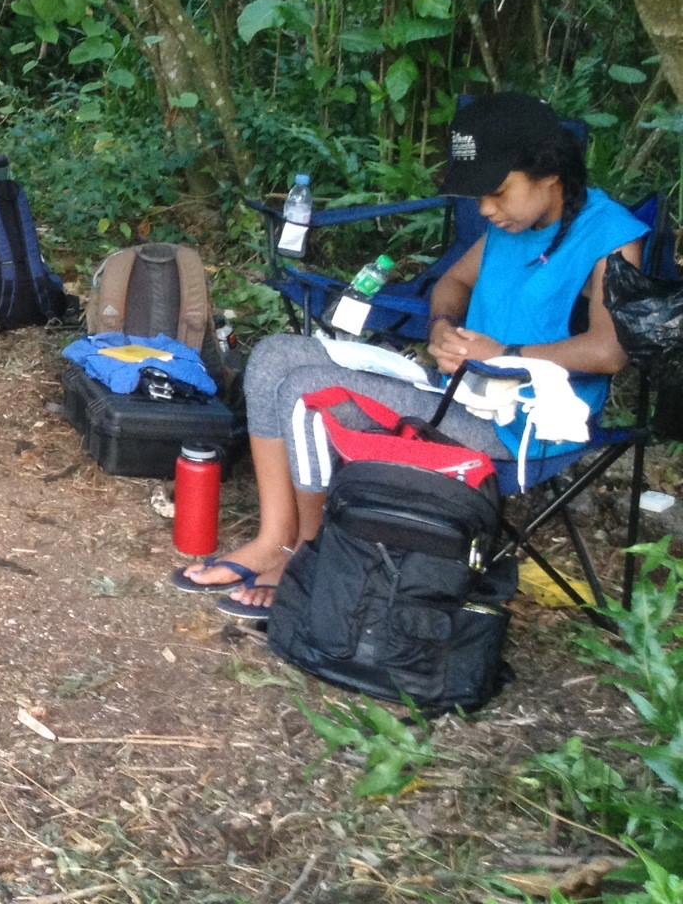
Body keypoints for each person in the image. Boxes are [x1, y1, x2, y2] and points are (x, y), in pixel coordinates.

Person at [176, 91, 648, 626]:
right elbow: (452, 281)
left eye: (496, 193)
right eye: (479, 198)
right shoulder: (511, 226)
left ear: (550, 174)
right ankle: (275, 541)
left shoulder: (610, 236)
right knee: (273, 356)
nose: (487, 210)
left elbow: (611, 351)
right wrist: (443, 327)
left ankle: (313, 565)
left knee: (309, 394)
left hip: (525, 424)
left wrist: (508, 354)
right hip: (462, 392)